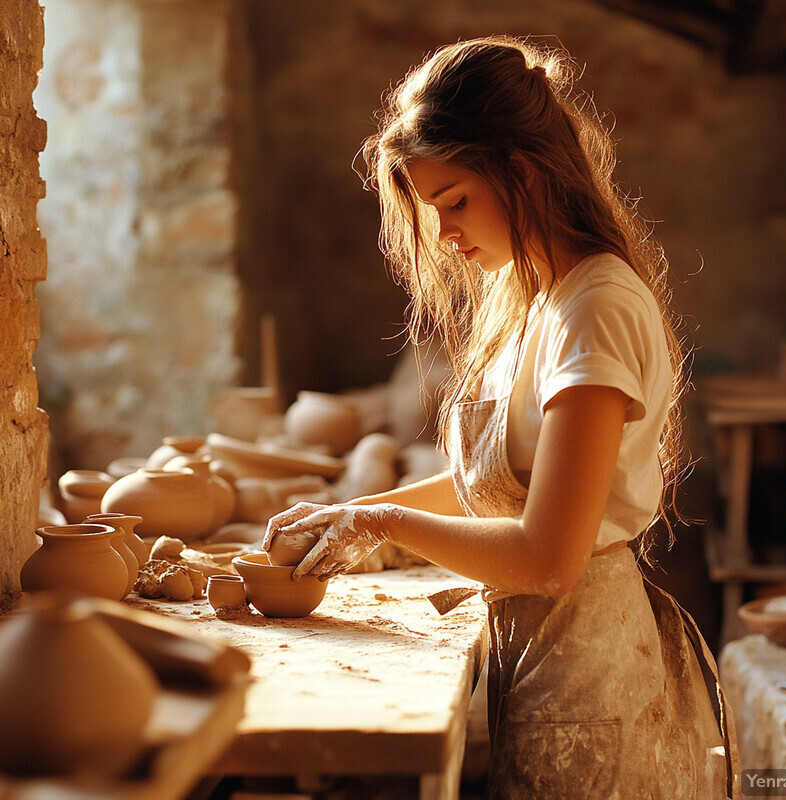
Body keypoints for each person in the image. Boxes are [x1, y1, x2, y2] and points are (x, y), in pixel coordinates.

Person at [264, 35, 740, 799]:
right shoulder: (537, 298)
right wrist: (350, 510)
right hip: (546, 658)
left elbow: (548, 557)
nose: (445, 235)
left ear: (520, 171)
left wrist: (383, 525)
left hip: (594, 674)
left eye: (455, 201)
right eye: (433, 211)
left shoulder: (599, 307)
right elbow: (494, 488)